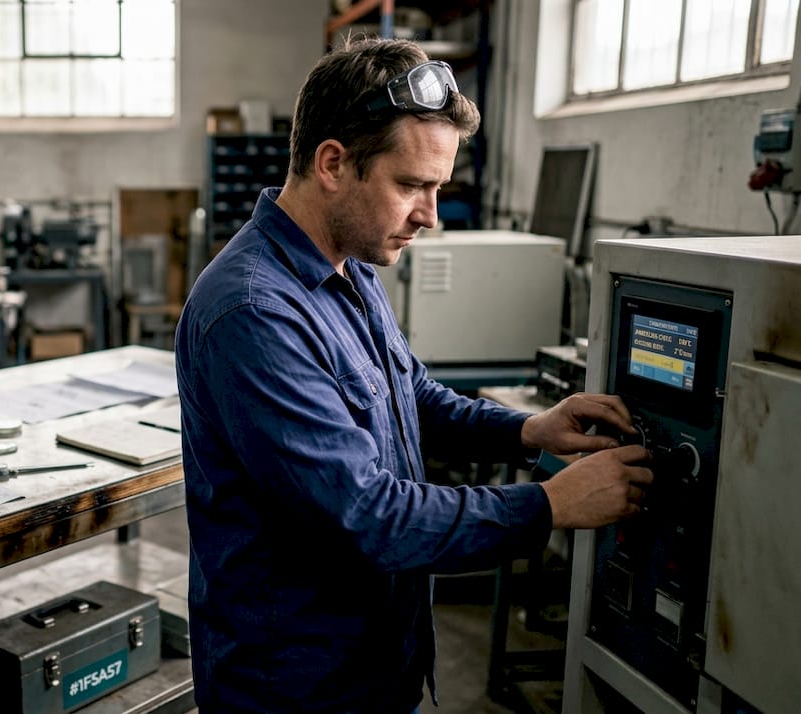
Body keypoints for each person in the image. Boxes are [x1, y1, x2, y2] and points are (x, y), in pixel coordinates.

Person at [174, 37, 653, 713]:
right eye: (411, 185)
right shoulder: (253, 312)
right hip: (295, 687)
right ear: (334, 163)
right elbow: (366, 515)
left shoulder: (349, 268)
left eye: (438, 187)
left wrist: (528, 430)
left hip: (376, 661)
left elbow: (412, 399)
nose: (430, 214)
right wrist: (550, 505)